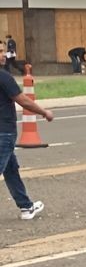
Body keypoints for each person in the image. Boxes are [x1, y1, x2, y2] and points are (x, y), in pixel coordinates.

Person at [1, 66, 54, 220]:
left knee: (11, 169)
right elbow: (22, 100)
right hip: (4, 131)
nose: (3, 55)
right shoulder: (4, 77)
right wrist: (44, 112)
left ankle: (26, 206)